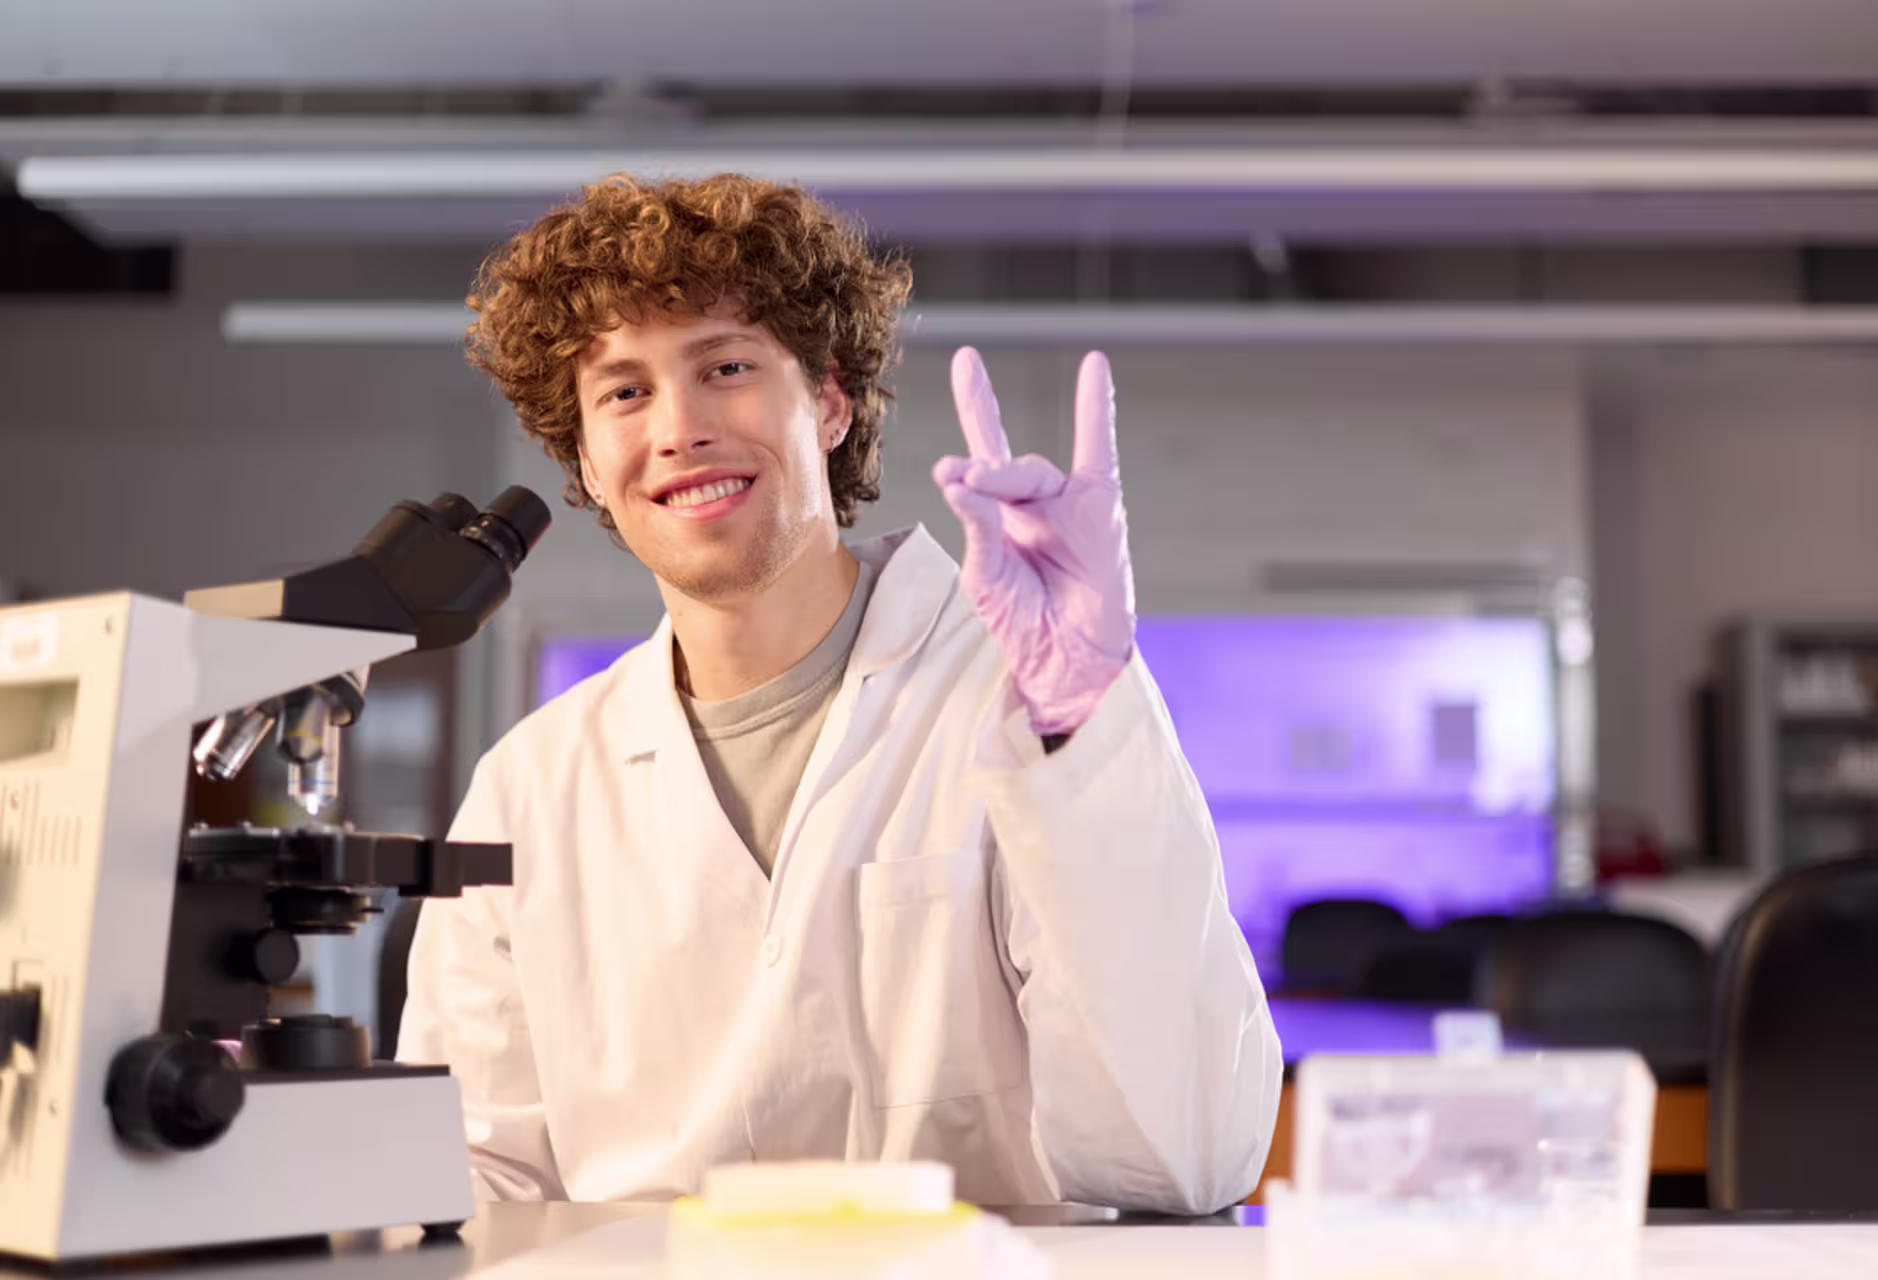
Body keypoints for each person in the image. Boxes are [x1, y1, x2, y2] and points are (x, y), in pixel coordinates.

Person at [398, 172, 1282, 1215]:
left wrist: (1084, 727)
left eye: (726, 366)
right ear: (585, 462)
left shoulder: (1029, 705)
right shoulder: (529, 789)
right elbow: (465, 1186)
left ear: (826, 400)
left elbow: (1185, 1157)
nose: (680, 427)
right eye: (625, 391)